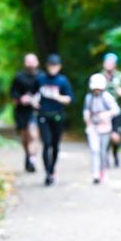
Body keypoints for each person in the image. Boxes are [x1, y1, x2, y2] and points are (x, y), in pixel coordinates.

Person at [36, 54, 74, 186]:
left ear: (59, 67)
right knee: (46, 144)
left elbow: (70, 99)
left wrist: (58, 97)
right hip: (43, 116)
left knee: (55, 145)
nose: (53, 68)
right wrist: (34, 101)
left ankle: (52, 170)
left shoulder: (63, 81)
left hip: (57, 116)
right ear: (47, 66)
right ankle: (47, 173)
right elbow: (33, 94)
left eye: (55, 65)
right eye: (51, 65)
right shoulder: (40, 79)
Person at [83, 73, 121, 184]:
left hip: (105, 128)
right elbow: (86, 110)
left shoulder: (107, 97)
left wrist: (106, 114)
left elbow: (116, 110)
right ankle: (95, 173)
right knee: (95, 150)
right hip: (93, 127)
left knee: (103, 151)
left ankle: (103, 171)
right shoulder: (89, 98)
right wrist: (87, 119)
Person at [9, 53, 41, 172]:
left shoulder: (41, 77)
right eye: (29, 61)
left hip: (36, 111)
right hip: (22, 112)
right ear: (25, 63)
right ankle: (28, 156)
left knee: (34, 135)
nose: (31, 64)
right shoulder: (18, 77)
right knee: (25, 137)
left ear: (37, 62)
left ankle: (32, 159)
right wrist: (21, 99)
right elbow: (13, 94)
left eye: (33, 61)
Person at [101, 52, 121, 167]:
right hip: (103, 112)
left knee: (116, 137)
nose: (108, 65)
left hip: (117, 111)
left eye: (111, 62)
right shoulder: (99, 77)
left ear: (115, 64)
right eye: (107, 62)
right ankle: (105, 155)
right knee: (106, 135)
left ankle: (115, 153)